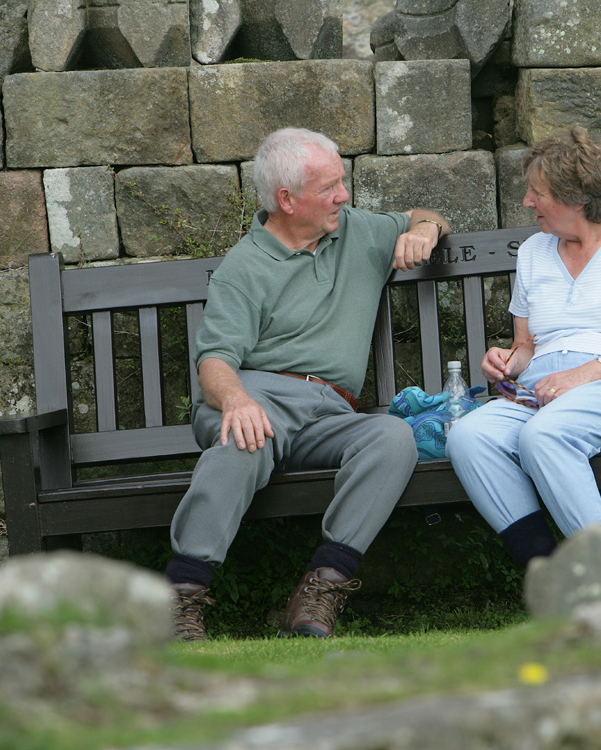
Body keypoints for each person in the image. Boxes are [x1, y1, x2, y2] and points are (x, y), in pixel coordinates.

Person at [167, 127, 450, 641]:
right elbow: (214, 362)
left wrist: (425, 231)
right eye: (330, 188)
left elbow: (426, 215)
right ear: (287, 199)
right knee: (241, 442)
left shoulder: (358, 232)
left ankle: (322, 587)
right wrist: (236, 401)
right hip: (258, 398)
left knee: (392, 438)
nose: (343, 196)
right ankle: (182, 597)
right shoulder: (244, 267)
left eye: (342, 183)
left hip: (329, 415)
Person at [445, 125, 601, 569]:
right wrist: (505, 362)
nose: (527, 202)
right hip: (541, 392)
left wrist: (582, 375)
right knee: (468, 436)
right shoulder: (535, 251)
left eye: (537, 193)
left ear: (576, 200)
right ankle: (548, 573)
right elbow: (526, 346)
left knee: (545, 435)